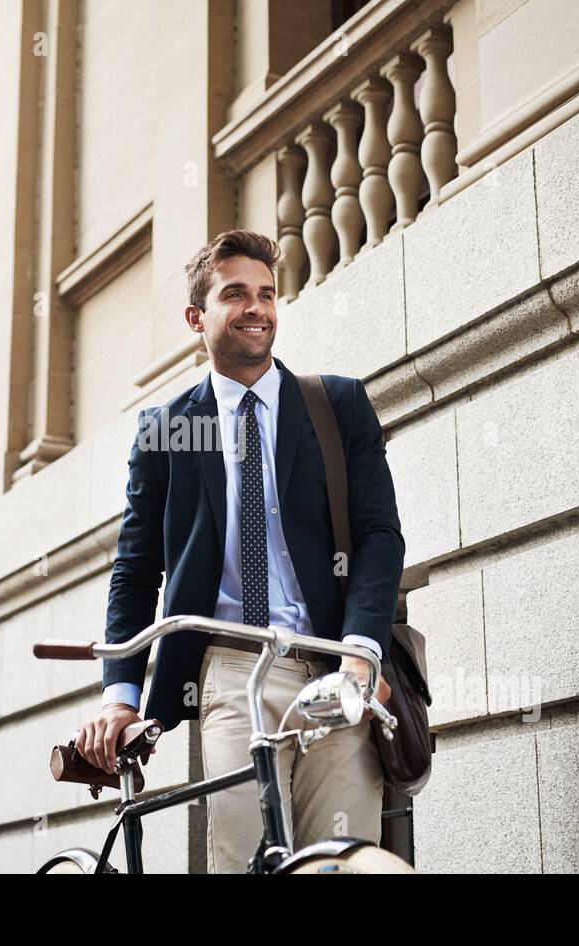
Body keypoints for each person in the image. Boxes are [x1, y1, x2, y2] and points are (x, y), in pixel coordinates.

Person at [75, 229, 405, 873]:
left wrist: (363, 656)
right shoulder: (168, 430)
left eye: (266, 294)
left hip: (336, 664)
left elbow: (379, 537)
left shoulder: (336, 405)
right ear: (197, 317)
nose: (257, 308)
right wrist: (120, 692)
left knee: (347, 861)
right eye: (235, 294)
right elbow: (136, 570)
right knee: (250, 858)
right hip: (231, 675)